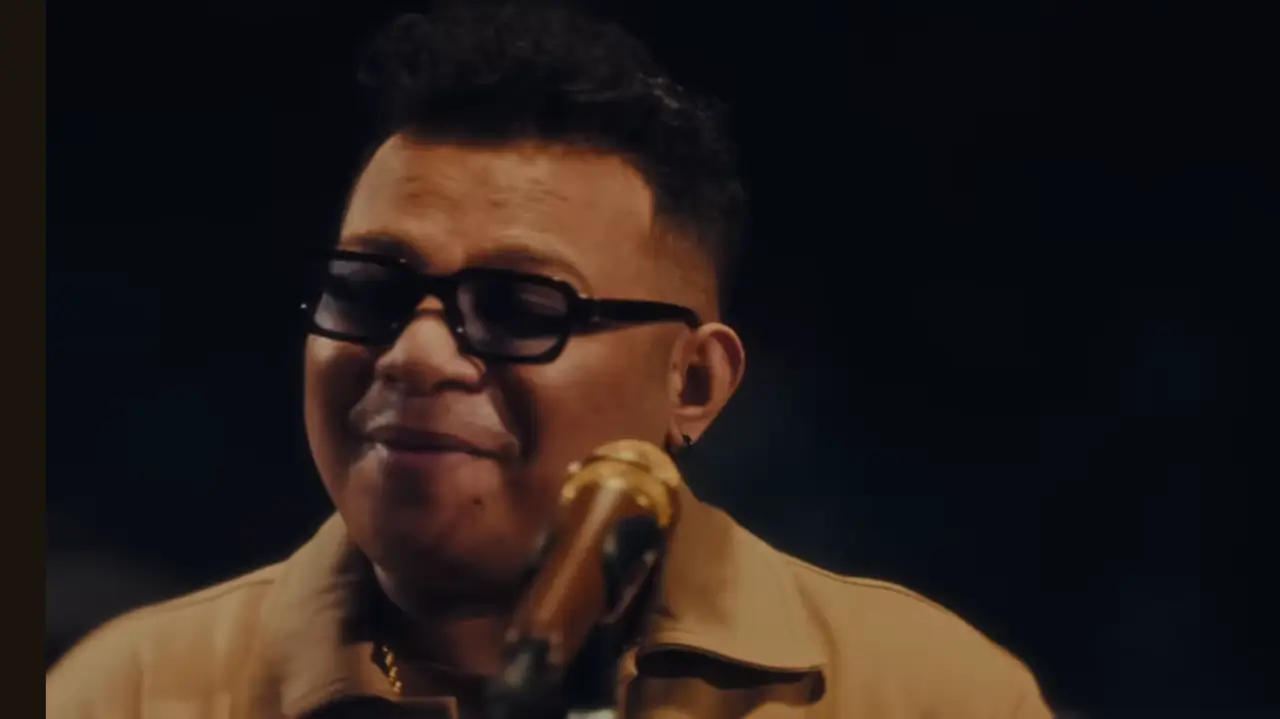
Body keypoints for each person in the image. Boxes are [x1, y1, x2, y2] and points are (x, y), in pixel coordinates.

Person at [46, 3, 1053, 718]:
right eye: (369, 290)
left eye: (521, 307)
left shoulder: (926, 694)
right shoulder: (129, 693)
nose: (415, 353)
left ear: (694, 382)